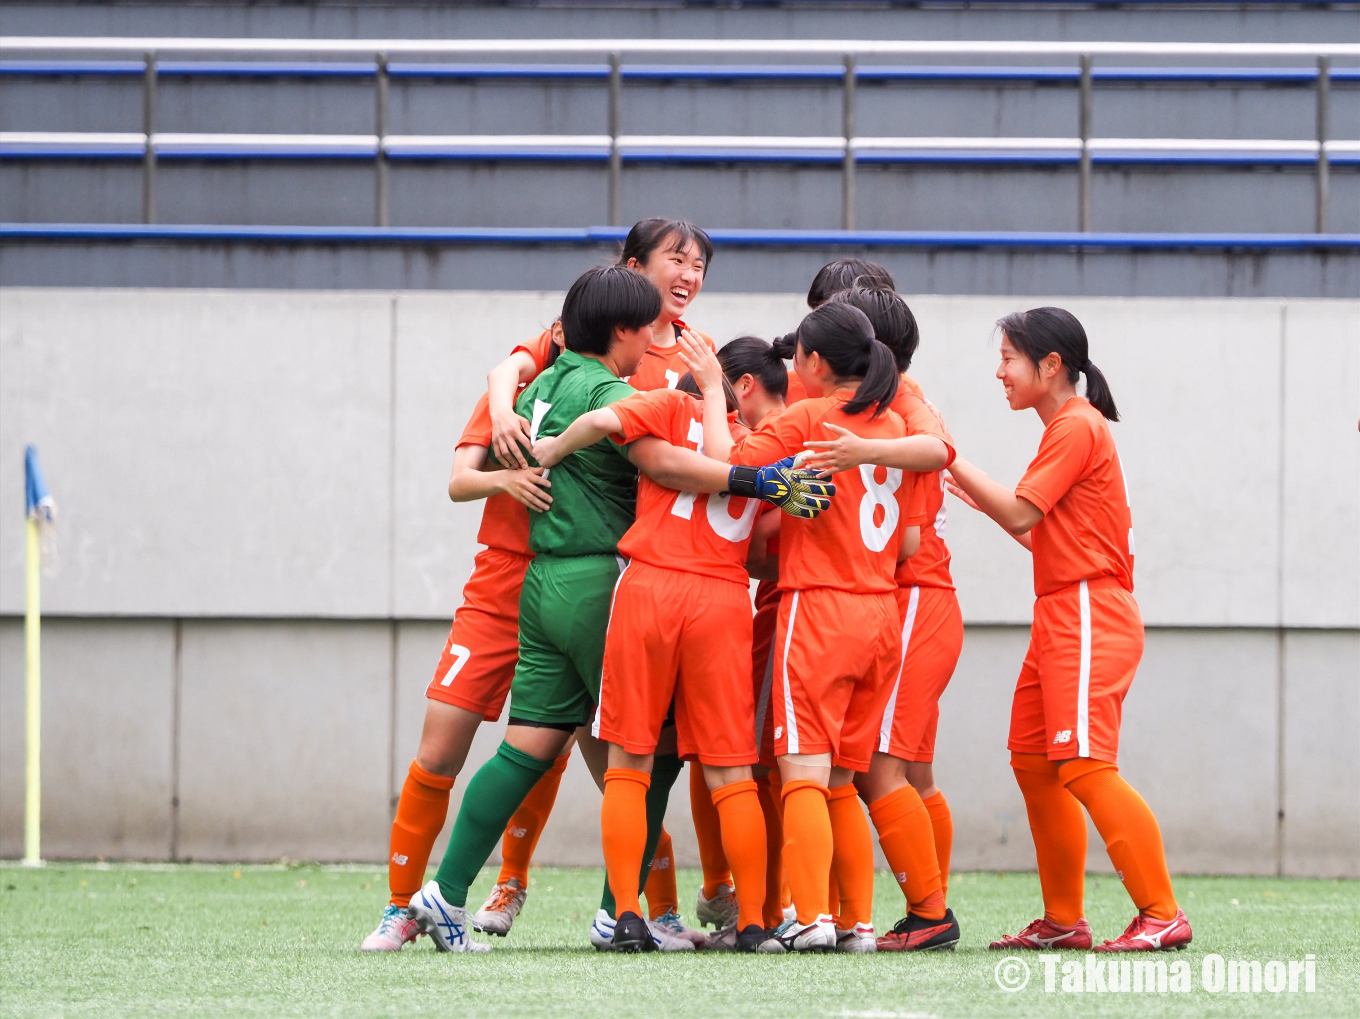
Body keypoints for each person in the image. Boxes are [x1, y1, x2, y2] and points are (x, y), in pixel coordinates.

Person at [405, 265, 834, 953]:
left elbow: (487, 444)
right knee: (652, 756)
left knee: (526, 746)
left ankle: (445, 891)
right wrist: (757, 478)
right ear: (624, 332)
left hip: (541, 580)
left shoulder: (539, 385)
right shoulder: (621, 392)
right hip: (609, 581)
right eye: (648, 331)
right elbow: (666, 463)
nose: (654, 345)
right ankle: (625, 912)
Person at [946, 307, 1191, 953]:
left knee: (1083, 763)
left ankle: (1161, 912)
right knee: (1034, 761)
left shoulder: (1075, 425)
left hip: (1088, 611)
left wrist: (949, 458)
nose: (1000, 372)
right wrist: (975, 490)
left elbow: (1022, 512)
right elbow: (1040, 533)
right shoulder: (1071, 426)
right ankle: (1063, 920)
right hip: (1066, 609)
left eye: (1008, 358)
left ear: (1050, 364)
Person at [532, 339, 787, 953]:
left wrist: (551, 450)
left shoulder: (669, 405)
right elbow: (755, 521)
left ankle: (624, 914)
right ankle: (754, 922)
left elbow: (598, 421)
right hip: (722, 599)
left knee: (630, 761)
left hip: (650, 587)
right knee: (732, 773)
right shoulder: (759, 445)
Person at [359, 331, 569, 952]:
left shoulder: (616, 390)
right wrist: (507, 479)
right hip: (499, 584)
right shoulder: (516, 387)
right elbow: (458, 481)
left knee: (560, 749)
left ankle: (516, 883)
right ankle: (400, 905)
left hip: (574, 583)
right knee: (439, 751)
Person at [730, 302, 925, 954]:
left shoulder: (808, 416)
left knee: (802, 772)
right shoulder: (894, 424)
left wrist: (705, 389)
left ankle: (809, 914)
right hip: (881, 611)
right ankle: (856, 922)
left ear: (814, 362)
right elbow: (909, 540)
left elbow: (734, 460)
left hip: (819, 608)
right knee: (842, 777)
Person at [798, 287, 962, 951]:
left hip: (910, 594)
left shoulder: (900, 405)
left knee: (877, 770)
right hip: (895, 595)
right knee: (894, 770)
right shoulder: (870, 406)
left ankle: (929, 910)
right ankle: (898, 910)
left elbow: (938, 452)